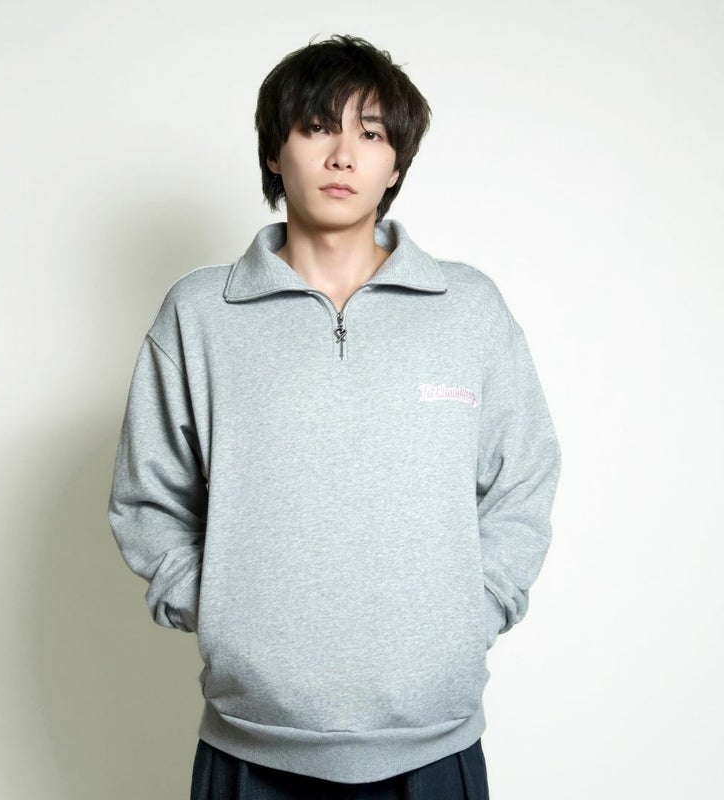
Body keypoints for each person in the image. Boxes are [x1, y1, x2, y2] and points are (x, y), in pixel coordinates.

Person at [108, 34, 561, 800]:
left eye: (371, 133)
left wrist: (469, 615)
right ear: (274, 151)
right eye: (318, 127)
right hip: (252, 744)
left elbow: (524, 482)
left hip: (434, 745)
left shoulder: (468, 309)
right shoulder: (200, 314)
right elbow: (147, 499)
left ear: (396, 163)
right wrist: (225, 618)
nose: (344, 155)